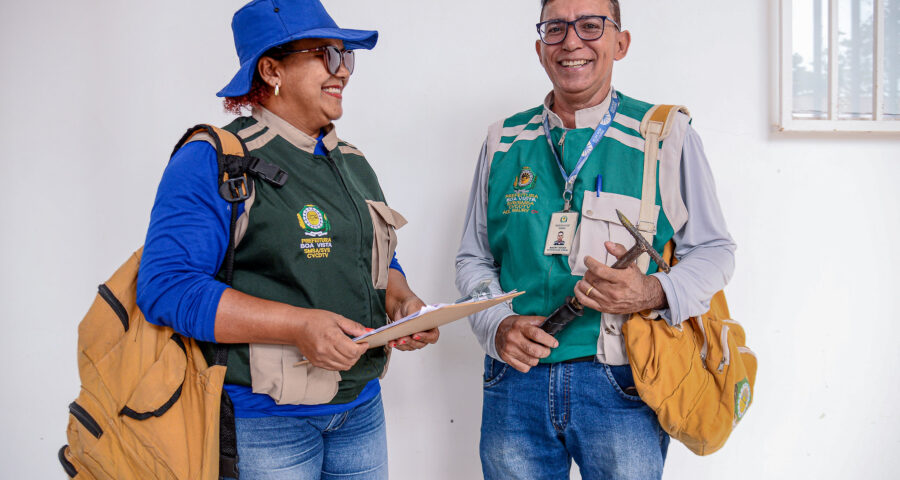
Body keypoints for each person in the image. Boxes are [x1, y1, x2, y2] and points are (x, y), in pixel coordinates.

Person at [136, 1, 438, 478]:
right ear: (271, 69)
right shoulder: (214, 159)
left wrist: (402, 303)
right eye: (327, 55)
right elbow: (166, 289)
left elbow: (373, 259)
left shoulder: (353, 161)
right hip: (264, 421)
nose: (344, 72)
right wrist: (299, 326)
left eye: (347, 57)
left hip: (360, 406)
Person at [455, 0, 736, 478]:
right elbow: (472, 259)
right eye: (555, 29)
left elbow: (713, 250)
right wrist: (496, 324)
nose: (571, 41)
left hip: (621, 379)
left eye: (590, 26)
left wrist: (652, 291)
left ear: (619, 43)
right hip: (513, 378)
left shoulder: (665, 135)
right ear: (540, 48)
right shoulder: (501, 139)